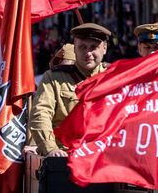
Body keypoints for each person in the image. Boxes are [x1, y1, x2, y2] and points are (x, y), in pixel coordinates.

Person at [26, 22, 110, 156]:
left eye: (93, 47)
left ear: (104, 48)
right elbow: (41, 114)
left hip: (104, 156)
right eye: (82, 47)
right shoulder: (54, 78)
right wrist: (51, 149)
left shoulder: (115, 76)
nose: (88, 53)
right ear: (74, 49)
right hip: (67, 155)